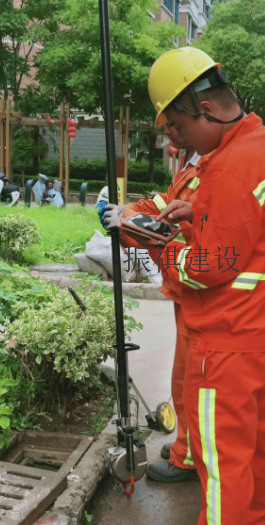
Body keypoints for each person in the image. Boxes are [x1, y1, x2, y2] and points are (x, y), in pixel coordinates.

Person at [149, 47, 265, 525]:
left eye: (178, 127)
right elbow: (255, 231)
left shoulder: (231, 167)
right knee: (255, 453)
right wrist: (201, 212)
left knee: (223, 469)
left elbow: (208, 268)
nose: (179, 140)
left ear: (206, 110)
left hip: (228, 344)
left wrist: (157, 246)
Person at [100, 129, 204, 483]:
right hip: (186, 289)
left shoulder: (211, 166)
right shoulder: (190, 164)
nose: (171, 133)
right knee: (184, 377)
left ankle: (192, 454)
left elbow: (168, 232)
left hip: (199, 286)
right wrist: (126, 212)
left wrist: (132, 226)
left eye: (175, 124)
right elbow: (162, 206)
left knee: (195, 380)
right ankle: (186, 447)